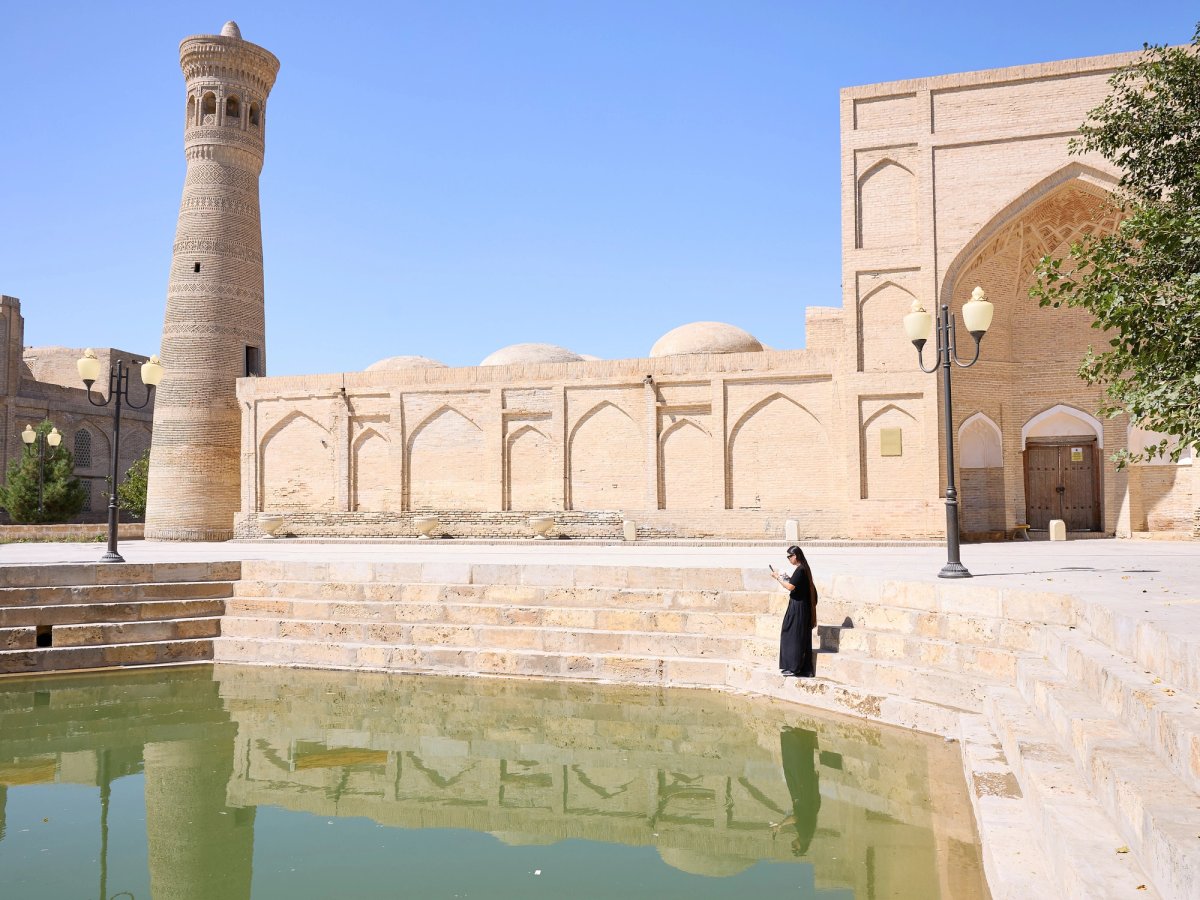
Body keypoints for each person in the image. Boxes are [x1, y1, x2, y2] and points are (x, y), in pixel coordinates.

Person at [772, 544, 817, 677]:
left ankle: (794, 667)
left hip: (798, 607)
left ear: (795, 556)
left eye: (789, 556)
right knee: (797, 635)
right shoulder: (803, 569)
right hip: (801, 606)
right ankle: (800, 668)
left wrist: (778, 578)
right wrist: (787, 578)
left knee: (793, 635)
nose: (788, 559)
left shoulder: (800, 570)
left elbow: (791, 587)